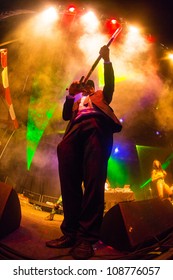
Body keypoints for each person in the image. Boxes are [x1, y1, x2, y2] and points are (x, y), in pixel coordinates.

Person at [46, 45, 122, 259]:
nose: (87, 88)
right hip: (74, 133)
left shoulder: (101, 97)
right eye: (84, 86)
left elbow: (110, 84)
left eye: (90, 85)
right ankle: (70, 233)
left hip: (96, 129)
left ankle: (86, 237)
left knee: (93, 182)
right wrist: (70, 96)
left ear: (93, 88)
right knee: (69, 184)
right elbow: (64, 116)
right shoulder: (76, 103)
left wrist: (107, 61)